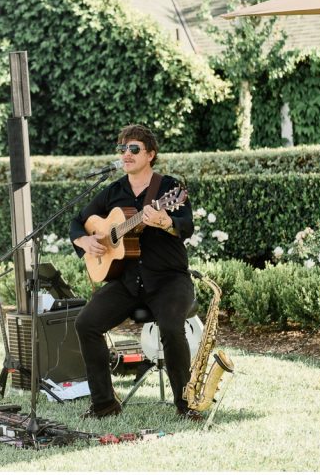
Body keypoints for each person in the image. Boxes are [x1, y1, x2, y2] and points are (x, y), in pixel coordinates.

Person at [70, 124, 199, 420]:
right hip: (128, 281)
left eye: (134, 149)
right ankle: (104, 404)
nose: (126, 154)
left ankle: (186, 404)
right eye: (122, 149)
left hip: (169, 279)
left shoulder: (169, 189)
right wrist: (86, 240)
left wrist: (166, 222)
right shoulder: (113, 191)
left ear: (150, 154)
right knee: (85, 323)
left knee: (170, 326)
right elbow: (78, 222)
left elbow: (187, 225)